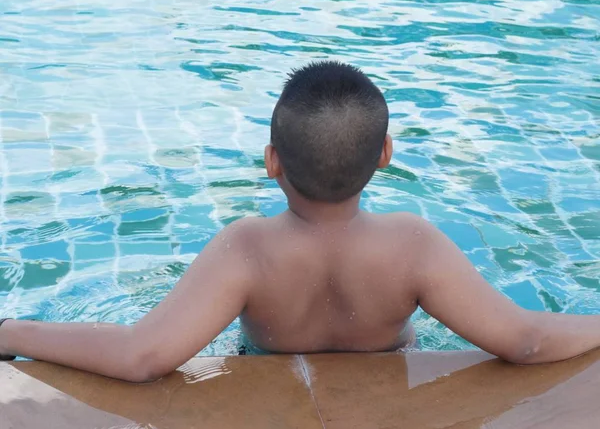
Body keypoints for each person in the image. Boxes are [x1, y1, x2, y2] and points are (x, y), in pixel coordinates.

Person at [1, 61, 598, 382]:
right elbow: (527, 339)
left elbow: (142, 355)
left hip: (266, 370)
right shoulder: (413, 243)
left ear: (271, 163)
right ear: (385, 155)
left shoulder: (247, 247)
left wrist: (11, 332)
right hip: (388, 374)